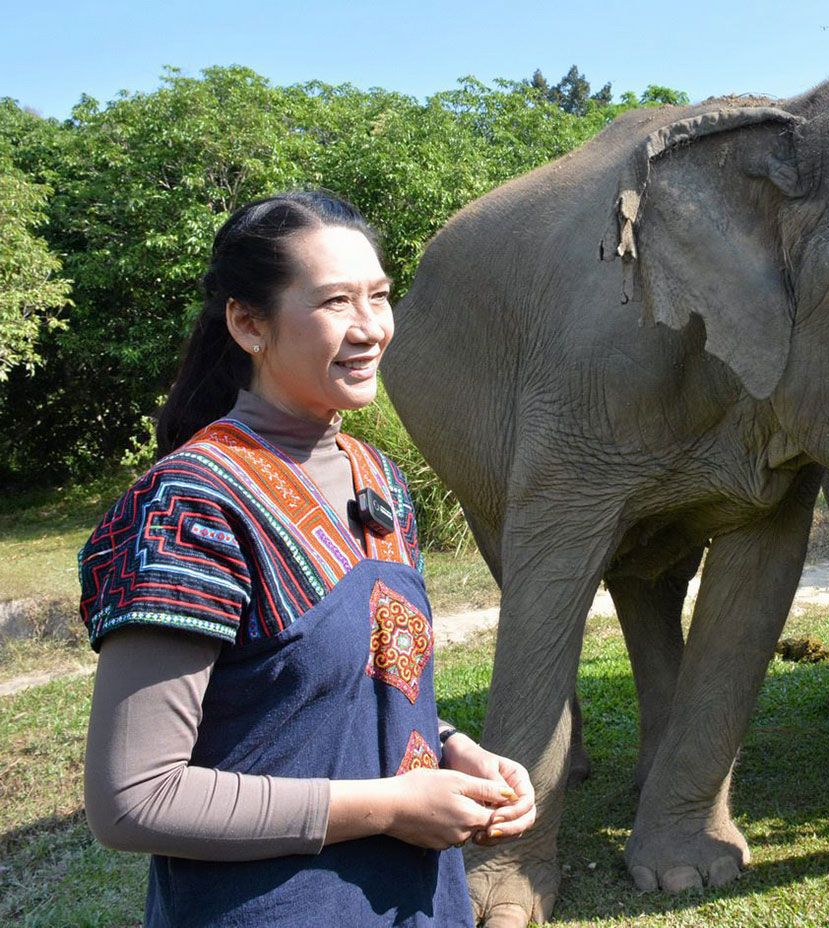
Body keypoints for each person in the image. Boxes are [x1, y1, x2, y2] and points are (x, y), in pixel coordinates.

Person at [79, 190, 534, 928]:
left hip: (417, 902)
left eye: (380, 297)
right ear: (248, 323)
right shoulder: (191, 506)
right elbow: (135, 799)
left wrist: (456, 748)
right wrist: (388, 808)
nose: (369, 329)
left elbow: (340, 693)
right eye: (334, 303)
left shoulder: (375, 477)